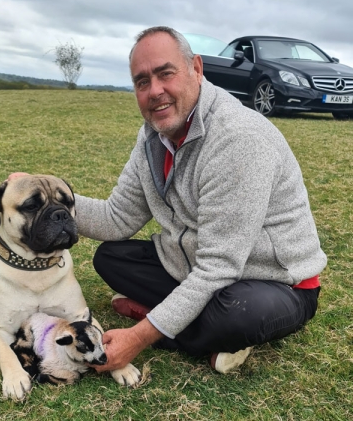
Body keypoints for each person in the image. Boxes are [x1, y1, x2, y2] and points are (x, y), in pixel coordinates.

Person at [74, 26, 327, 374]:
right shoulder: (152, 135)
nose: (155, 91)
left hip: (274, 282)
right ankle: (197, 333)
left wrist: (138, 338)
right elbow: (117, 218)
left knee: (236, 315)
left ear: (196, 68)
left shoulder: (238, 138)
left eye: (165, 74)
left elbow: (218, 267)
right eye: (142, 81)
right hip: (196, 267)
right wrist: (47, 198)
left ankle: (168, 325)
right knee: (109, 258)